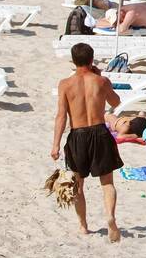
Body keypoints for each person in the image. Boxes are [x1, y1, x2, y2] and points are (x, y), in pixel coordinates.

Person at [51, 43, 122, 242]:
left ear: (73, 61)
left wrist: (55, 145)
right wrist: (101, 77)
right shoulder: (101, 81)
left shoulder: (65, 84)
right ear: (92, 60)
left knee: (78, 186)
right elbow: (116, 103)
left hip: (78, 134)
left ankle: (83, 226)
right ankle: (110, 216)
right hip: (99, 133)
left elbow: (61, 117)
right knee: (107, 183)